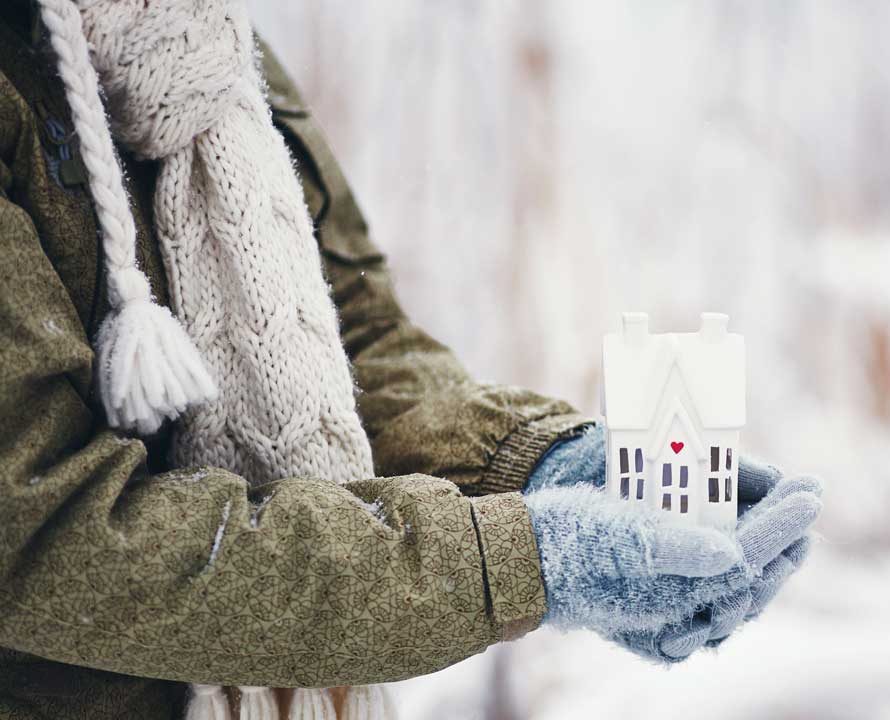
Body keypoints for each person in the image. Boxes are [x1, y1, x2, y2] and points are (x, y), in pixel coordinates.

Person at [0, 1, 823, 719]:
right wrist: (523, 561)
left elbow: (355, 337)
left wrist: (545, 466)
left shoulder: (206, 39)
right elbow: (42, 531)